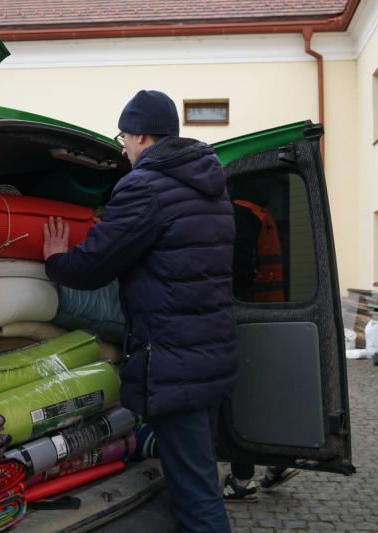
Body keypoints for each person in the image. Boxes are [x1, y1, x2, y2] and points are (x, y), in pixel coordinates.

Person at [43, 89, 237, 532]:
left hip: (174, 364)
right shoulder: (210, 188)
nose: (123, 148)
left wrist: (56, 260)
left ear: (143, 136)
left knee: (196, 497)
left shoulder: (145, 186)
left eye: (124, 138)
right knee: (198, 475)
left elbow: (94, 265)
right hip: (210, 358)